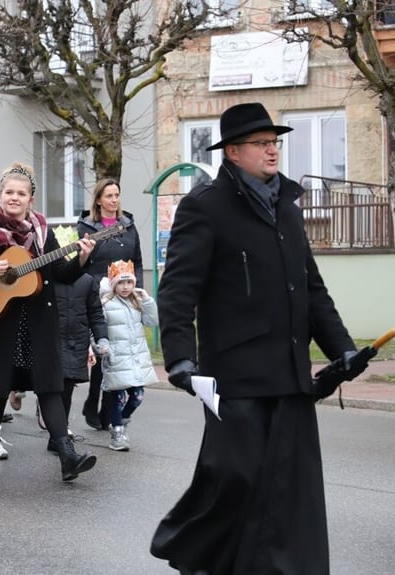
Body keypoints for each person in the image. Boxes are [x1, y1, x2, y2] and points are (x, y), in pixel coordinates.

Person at [150, 102, 362, 574]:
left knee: (289, 488)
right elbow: (179, 290)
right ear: (233, 152)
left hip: (288, 374)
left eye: (275, 142)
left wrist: (342, 348)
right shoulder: (204, 207)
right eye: (262, 143)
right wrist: (180, 358)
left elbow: (311, 287)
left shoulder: (286, 206)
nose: (273, 150)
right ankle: (199, 556)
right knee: (234, 479)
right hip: (234, 377)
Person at [0, 162, 98, 481]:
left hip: (36, 323)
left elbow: (59, 274)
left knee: (49, 386)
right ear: (0, 196)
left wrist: (81, 258)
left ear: (31, 199)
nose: (14, 197)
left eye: (21, 193)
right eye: (9, 192)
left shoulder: (42, 233)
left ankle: (67, 456)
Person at [77, 177, 143, 431]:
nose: (114, 200)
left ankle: (105, 407)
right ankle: (94, 401)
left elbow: (136, 260)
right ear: (98, 200)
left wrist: (137, 292)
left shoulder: (128, 225)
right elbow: (79, 262)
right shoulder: (86, 226)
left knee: (117, 354)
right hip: (96, 296)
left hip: (124, 294)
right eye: (109, 196)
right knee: (103, 351)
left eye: (117, 195)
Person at [50, 225, 108, 452]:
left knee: (66, 388)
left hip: (76, 341)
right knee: (54, 389)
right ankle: (57, 434)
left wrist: (101, 339)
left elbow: (96, 313)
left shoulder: (86, 282)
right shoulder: (50, 281)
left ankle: (58, 436)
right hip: (54, 339)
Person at [97, 260, 157, 452]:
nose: (125, 287)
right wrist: (101, 346)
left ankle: (120, 421)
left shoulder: (136, 303)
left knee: (137, 396)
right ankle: (117, 432)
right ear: (114, 284)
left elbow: (152, 321)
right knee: (118, 397)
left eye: (129, 282)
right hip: (115, 357)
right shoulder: (106, 304)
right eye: (121, 283)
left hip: (136, 358)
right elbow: (97, 328)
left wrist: (147, 300)